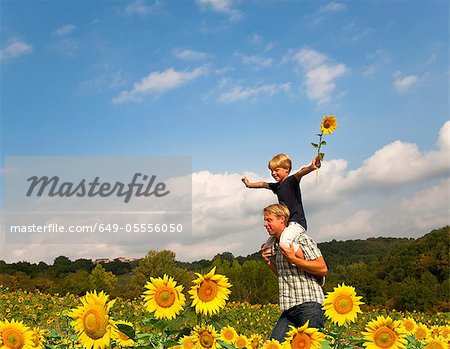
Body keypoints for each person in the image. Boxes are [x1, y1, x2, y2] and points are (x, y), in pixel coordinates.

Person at [261, 204, 327, 342]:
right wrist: (268, 262)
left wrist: (293, 259)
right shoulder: (275, 245)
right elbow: (282, 275)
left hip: (309, 305)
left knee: (313, 345)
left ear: (282, 219)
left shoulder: (300, 239)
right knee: (274, 345)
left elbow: (322, 268)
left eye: (269, 220)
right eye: (265, 220)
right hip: (289, 307)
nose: (265, 224)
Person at [242, 153, 320, 253]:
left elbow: (301, 172)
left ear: (286, 169)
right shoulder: (277, 186)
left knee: (284, 243)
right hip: (286, 224)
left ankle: (300, 258)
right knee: (267, 248)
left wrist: (311, 167)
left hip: (296, 222)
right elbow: (262, 184)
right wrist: (249, 185)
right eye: (271, 171)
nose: (273, 173)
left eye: (276, 170)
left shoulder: (291, 181)